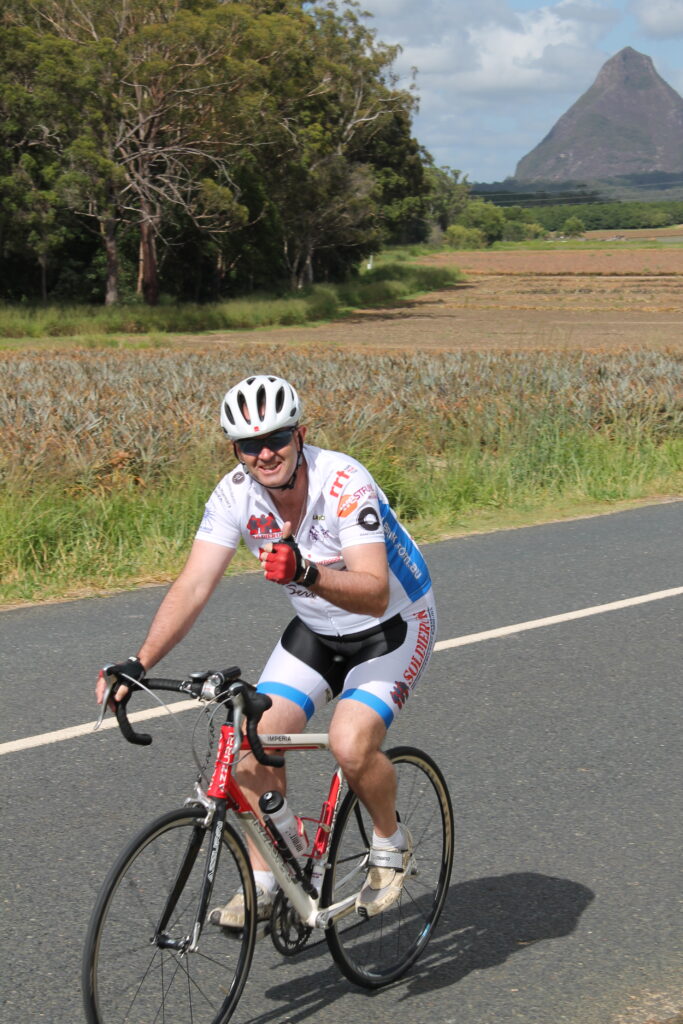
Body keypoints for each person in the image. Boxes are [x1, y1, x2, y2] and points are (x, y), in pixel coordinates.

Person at [96, 373, 437, 924]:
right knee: (248, 740)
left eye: (277, 438)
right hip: (318, 630)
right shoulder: (235, 494)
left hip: (392, 628)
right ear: (236, 449)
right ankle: (267, 876)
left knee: (350, 743)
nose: (265, 453)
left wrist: (305, 570)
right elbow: (194, 584)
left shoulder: (345, 483)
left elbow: (373, 593)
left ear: (301, 434)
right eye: (250, 444)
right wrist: (140, 662)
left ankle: (391, 843)